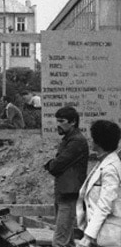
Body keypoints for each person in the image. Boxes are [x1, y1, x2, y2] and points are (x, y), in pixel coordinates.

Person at [43, 106, 88, 247]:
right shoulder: (69, 140)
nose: (58, 124)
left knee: (59, 241)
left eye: (62, 121)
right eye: (57, 121)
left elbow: (57, 165)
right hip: (64, 193)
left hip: (69, 195)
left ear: (73, 122)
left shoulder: (76, 142)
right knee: (67, 241)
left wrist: (50, 164)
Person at [76, 120, 121, 247]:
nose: (91, 141)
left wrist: (88, 236)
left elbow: (104, 204)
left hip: (108, 234)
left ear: (98, 142)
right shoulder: (103, 163)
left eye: (93, 138)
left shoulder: (110, 168)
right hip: (99, 231)